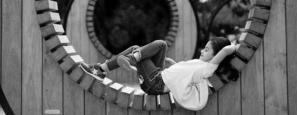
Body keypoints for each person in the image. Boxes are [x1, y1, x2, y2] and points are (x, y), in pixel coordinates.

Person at [80, 37, 238, 111]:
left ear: (216, 56)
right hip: (159, 76)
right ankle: (103, 69)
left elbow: (225, 50)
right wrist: (174, 64)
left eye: (207, 50)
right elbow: (183, 77)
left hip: (155, 83)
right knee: (145, 46)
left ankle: (129, 60)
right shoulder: (200, 66)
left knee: (154, 46)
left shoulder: (208, 68)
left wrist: (235, 47)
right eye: (204, 48)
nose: (202, 50)